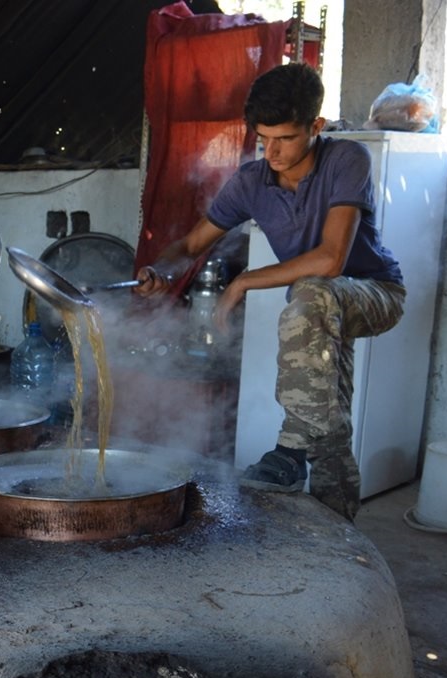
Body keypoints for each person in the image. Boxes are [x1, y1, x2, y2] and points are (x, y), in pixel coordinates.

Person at [134, 63, 405, 521]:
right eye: (263, 139)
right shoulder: (251, 182)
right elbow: (192, 245)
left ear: (315, 128)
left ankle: (289, 450)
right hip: (317, 310)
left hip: (373, 292)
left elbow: (330, 259)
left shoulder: (348, 160)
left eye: (285, 139)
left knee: (311, 292)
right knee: (329, 413)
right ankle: (338, 529)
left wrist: (243, 281)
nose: (272, 152)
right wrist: (161, 268)